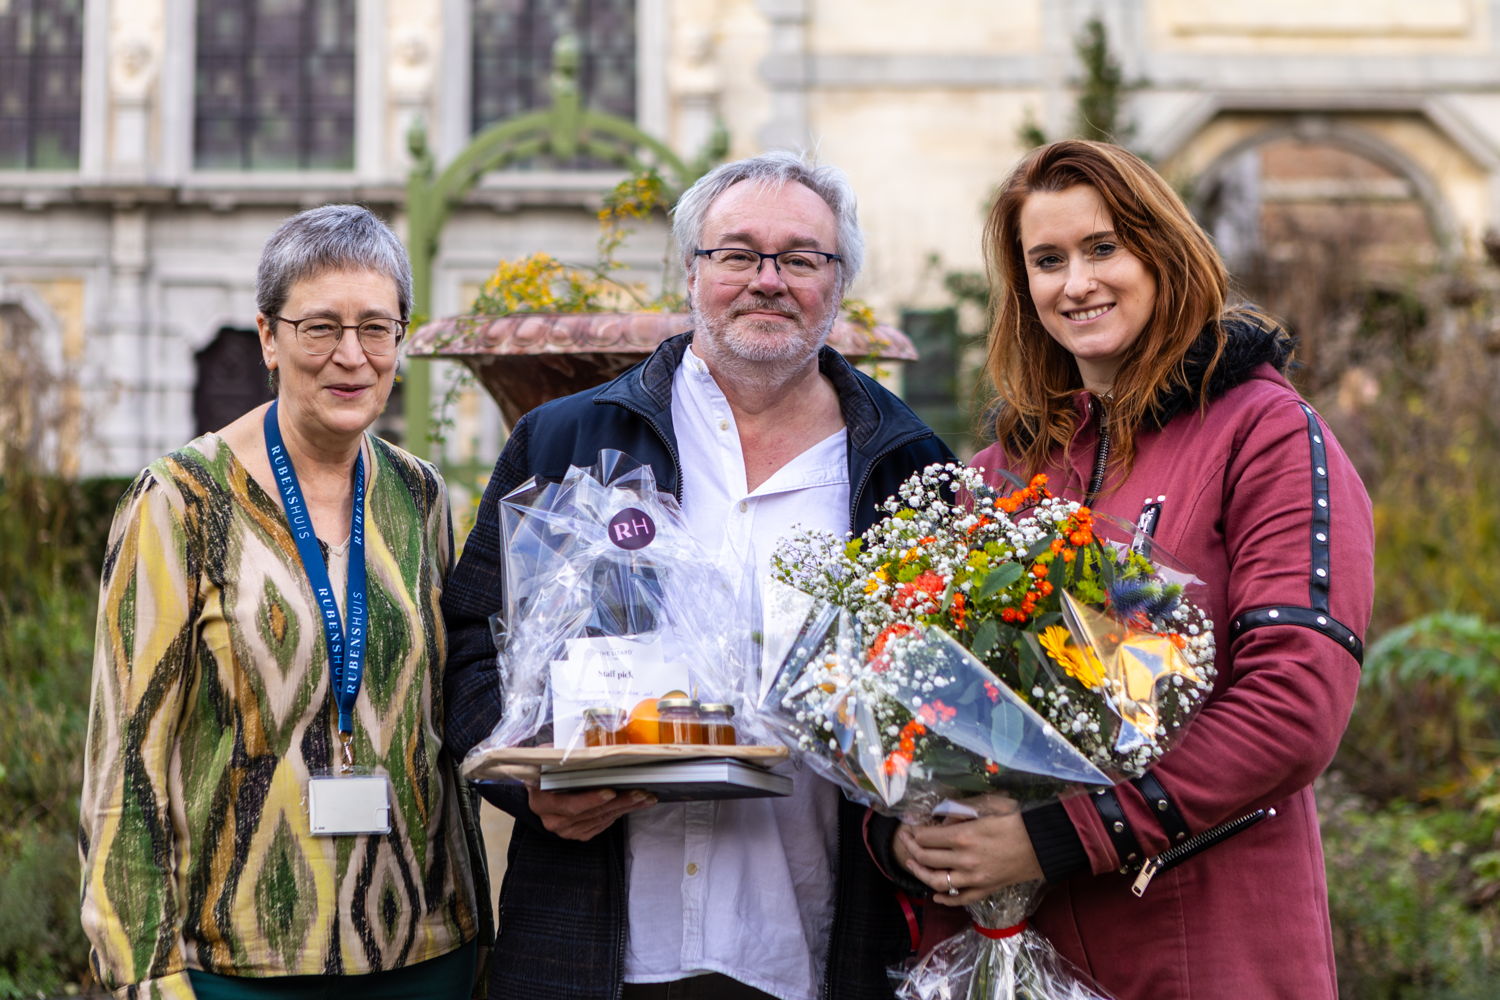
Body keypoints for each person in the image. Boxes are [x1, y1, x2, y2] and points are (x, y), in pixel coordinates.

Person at [442, 151, 955, 1000]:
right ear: (692, 273)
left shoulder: (907, 470)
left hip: (814, 949)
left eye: (800, 258)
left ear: (839, 283)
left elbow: (945, 698)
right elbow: (469, 648)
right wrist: (531, 789)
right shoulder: (565, 441)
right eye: (738, 254)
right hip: (595, 947)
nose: (768, 280)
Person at [890, 138, 1375, 998]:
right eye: (1047, 260)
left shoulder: (1261, 432)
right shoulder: (1002, 473)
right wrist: (904, 829)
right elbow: (919, 700)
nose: (1076, 283)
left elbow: (1294, 703)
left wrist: (1064, 834)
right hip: (1023, 953)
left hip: (1205, 946)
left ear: (1161, 251)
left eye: (1102, 247)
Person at [79, 205, 491, 999]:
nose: (352, 356)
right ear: (268, 337)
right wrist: (141, 973)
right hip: (239, 960)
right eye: (320, 327)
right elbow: (126, 759)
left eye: (378, 328)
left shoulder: (419, 495)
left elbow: (446, 718)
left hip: (428, 949)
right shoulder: (181, 500)